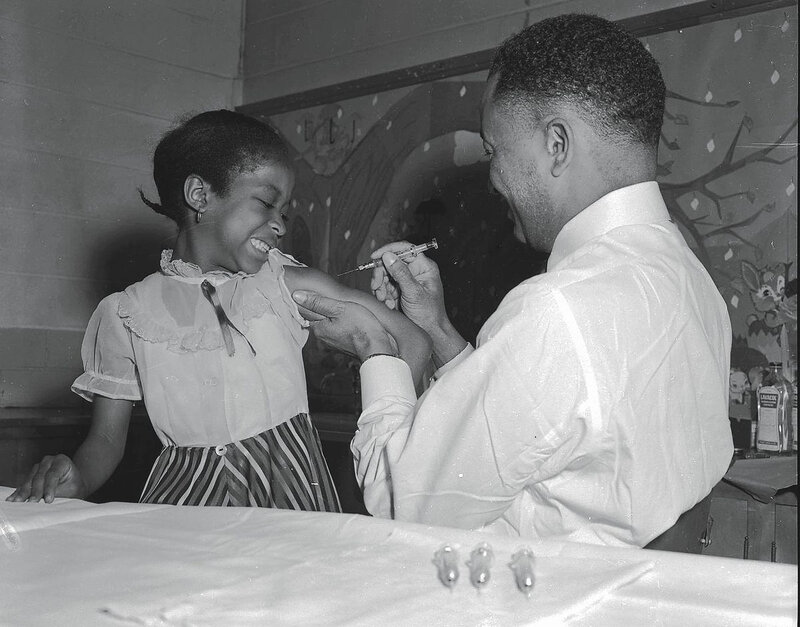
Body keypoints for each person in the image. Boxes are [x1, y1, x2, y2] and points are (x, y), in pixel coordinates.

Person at [291, 14, 734, 546]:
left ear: (557, 144)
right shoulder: (687, 278)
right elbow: (549, 423)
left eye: (494, 150)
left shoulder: (559, 309)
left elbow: (403, 503)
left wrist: (376, 348)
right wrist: (434, 327)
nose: (494, 177)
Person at [7, 110, 431, 508]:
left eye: (284, 211)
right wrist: (77, 476)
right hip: (184, 501)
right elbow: (105, 440)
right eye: (266, 204)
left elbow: (410, 340)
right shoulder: (127, 313)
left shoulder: (284, 283)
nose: (281, 224)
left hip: (291, 492)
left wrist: (391, 443)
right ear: (199, 195)